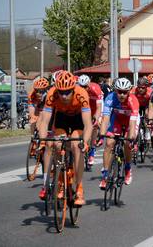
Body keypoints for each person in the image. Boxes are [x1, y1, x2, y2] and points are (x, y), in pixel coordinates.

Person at [38, 71, 92, 206]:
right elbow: (44, 121)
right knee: (56, 144)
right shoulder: (52, 94)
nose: (63, 96)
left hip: (78, 119)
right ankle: (60, 181)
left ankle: (79, 188)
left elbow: (88, 124)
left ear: (73, 89)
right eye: (61, 92)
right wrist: (43, 140)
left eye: (67, 92)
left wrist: (84, 142)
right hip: (62, 118)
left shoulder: (81, 94)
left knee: (76, 145)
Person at [98, 78, 139, 189]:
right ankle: (105, 176)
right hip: (117, 120)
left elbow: (133, 122)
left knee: (127, 143)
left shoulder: (133, 100)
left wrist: (131, 138)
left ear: (129, 91)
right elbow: (106, 118)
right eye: (119, 91)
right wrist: (102, 134)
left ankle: (127, 169)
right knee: (109, 143)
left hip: (130, 120)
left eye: (125, 92)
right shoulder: (110, 98)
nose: (122, 95)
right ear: (115, 90)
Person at [77, 74, 103, 166]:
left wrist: (96, 117)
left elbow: (99, 107)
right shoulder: (78, 90)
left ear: (89, 85)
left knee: (94, 126)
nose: (84, 89)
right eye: (81, 87)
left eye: (85, 87)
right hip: (85, 107)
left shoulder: (95, 89)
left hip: (95, 107)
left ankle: (92, 152)